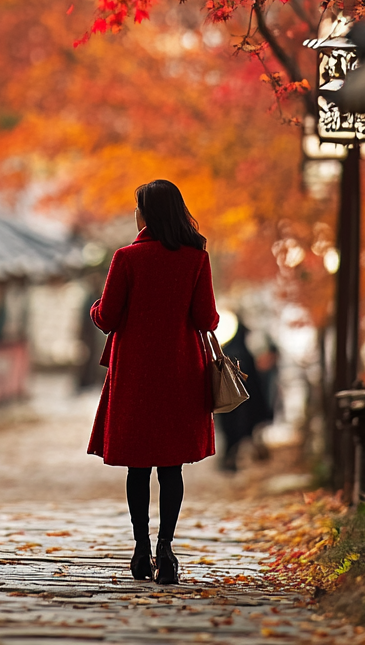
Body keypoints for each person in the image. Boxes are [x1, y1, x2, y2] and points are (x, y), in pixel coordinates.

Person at [88, 179, 219, 586]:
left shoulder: (127, 258)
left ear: (145, 213)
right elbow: (207, 320)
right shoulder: (196, 258)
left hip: (136, 373)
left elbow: (106, 318)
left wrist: (95, 308)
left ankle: (141, 549)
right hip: (181, 371)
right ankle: (167, 548)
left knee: (138, 466)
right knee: (171, 465)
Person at [217, 321, 275, 472]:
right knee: (241, 431)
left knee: (230, 433)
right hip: (244, 404)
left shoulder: (226, 353)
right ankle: (234, 459)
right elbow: (254, 383)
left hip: (228, 404)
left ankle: (229, 459)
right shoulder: (245, 355)